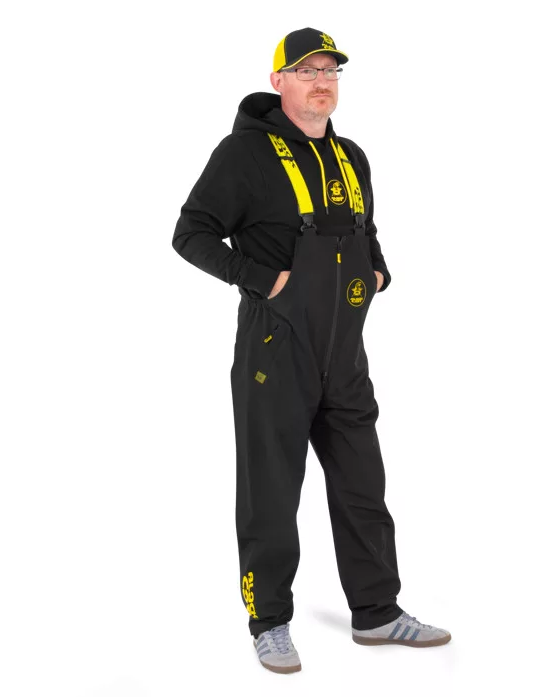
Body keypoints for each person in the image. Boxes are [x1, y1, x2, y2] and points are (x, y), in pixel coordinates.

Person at [172, 27, 451, 674]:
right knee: (271, 492)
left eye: (330, 71)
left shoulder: (352, 156)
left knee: (363, 486)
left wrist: (379, 272)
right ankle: (269, 621)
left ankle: (377, 612)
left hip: (345, 352)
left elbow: (365, 229)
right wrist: (262, 279)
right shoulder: (243, 154)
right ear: (279, 82)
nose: (321, 82)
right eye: (306, 71)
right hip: (276, 350)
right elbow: (190, 232)